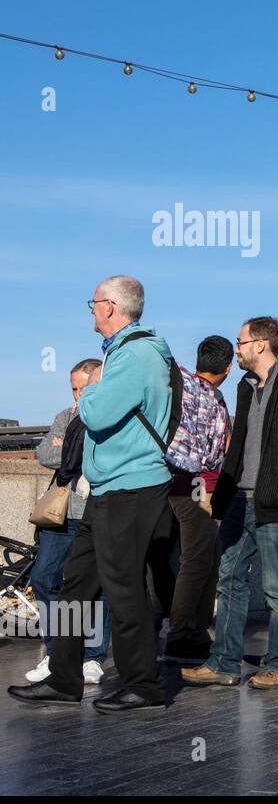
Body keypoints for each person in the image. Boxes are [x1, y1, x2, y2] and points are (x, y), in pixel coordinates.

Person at [11, 276, 176, 712]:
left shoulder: (136, 353)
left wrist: (90, 391)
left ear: (111, 307)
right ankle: (64, 677)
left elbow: (98, 413)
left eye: (94, 302)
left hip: (131, 486)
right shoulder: (121, 352)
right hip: (107, 488)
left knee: (123, 590)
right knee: (74, 585)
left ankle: (144, 684)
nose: (90, 309)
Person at [182, 316, 278, 691]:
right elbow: (240, 445)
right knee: (229, 581)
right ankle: (224, 663)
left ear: (261, 344)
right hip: (237, 503)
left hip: (275, 507)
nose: (237, 349)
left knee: (277, 589)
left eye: (241, 341)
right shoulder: (245, 388)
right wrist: (225, 492)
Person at [26, 358, 111, 685]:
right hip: (60, 515)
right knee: (44, 576)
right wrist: (74, 450)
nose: (77, 396)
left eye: (84, 389)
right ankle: (56, 651)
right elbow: (45, 454)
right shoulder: (65, 417)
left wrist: (71, 449)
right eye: (74, 389)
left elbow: (100, 460)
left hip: (95, 514)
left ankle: (92, 656)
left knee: (97, 587)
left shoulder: (106, 419)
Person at [162, 335, 234, 663]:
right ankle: (183, 634)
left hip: (163, 483)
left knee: (174, 561)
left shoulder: (180, 383)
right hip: (196, 488)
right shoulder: (216, 401)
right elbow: (219, 450)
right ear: (228, 367)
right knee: (198, 562)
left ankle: (185, 630)